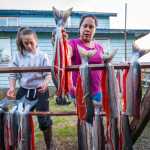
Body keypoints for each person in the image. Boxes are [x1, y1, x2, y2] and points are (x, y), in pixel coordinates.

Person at [6, 27, 52, 150]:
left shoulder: (43, 55)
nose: (29, 45)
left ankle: (50, 145)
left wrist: (46, 83)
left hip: (40, 90)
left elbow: (48, 74)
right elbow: (12, 74)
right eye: (26, 43)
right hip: (24, 90)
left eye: (31, 42)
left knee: (43, 120)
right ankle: (23, 145)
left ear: (36, 40)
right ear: (22, 43)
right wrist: (11, 87)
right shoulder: (17, 56)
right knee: (21, 118)